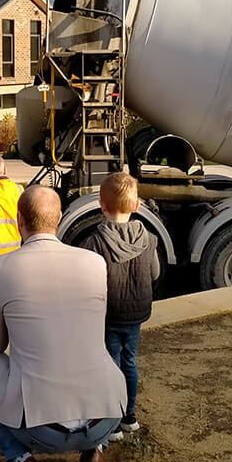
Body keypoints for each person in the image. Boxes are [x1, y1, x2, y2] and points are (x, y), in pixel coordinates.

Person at [0, 186, 126, 462]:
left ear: (19, 220)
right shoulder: (94, 262)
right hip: (106, 418)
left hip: (40, 429)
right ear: (58, 219)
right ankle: (94, 453)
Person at [78, 172, 160, 441]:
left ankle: (111, 423)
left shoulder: (95, 242)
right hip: (135, 315)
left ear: (101, 206)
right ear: (136, 206)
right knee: (129, 361)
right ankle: (130, 416)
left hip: (108, 315)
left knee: (110, 364)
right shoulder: (148, 239)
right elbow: (156, 273)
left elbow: (86, 280)